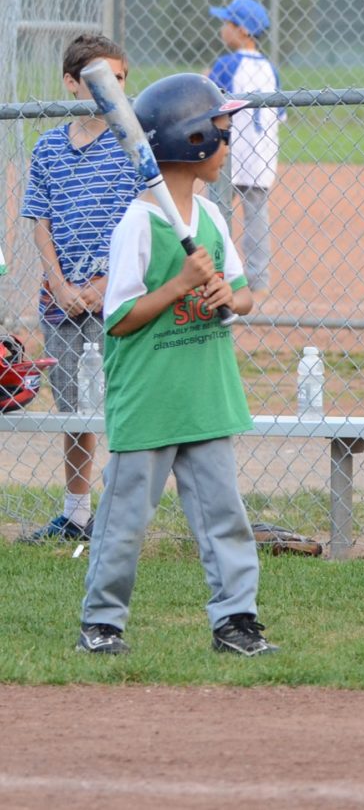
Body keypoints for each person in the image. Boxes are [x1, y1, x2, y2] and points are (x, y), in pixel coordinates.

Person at [77, 73, 273, 658]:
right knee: (124, 519)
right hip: (151, 398)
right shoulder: (140, 222)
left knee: (225, 518)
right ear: (192, 142)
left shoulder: (210, 217)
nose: (227, 143)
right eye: (219, 132)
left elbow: (242, 295)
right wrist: (182, 283)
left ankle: (236, 621)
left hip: (206, 393)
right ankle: (102, 622)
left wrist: (224, 298)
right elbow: (121, 318)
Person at [18, 33, 140, 543]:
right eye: (98, 80)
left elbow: (143, 218)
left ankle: (123, 513)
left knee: (126, 405)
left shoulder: (132, 142)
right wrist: (59, 283)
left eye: (120, 79)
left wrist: (106, 284)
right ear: (71, 83)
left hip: (120, 298)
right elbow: (39, 219)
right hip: (61, 301)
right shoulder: (49, 146)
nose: (113, 89)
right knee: (74, 407)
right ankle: (77, 514)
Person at [207, 0, 285, 294]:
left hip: (229, 154)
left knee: (216, 214)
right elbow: (279, 114)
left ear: (241, 30)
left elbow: (210, 101)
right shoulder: (270, 68)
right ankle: (258, 280)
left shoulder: (227, 64)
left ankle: (216, 275)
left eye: (226, 23)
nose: (222, 29)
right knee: (257, 218)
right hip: (262, 155)